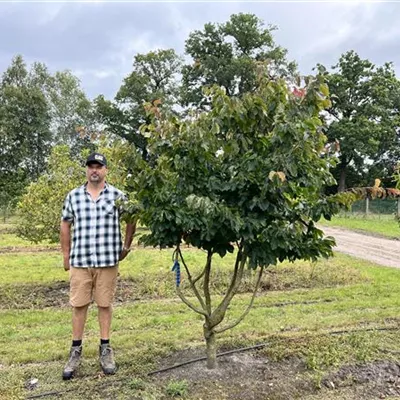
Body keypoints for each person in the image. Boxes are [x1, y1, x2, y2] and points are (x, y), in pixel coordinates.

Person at [60, 152, 135, 380]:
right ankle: (75, 351)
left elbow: (131, 218)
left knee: (104, 304)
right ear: (86, 170)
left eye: (99, 166)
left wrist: (126, 246)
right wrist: (66, 255)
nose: (94, 170)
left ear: (106, 170)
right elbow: (65, 224)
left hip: (107, 260)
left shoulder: (118, 196)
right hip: (81, 261)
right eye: (91, 166)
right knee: (79, 305)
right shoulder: (73, 196)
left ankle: (105, 349)